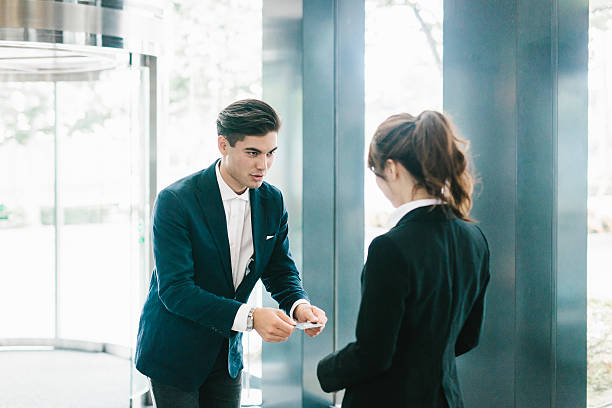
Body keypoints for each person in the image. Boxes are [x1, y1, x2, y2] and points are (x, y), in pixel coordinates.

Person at [135, 99, 327, 408]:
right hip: (175, 352)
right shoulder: (176, 201)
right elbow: (176, 291)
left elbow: (279, 270)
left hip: (226, 354)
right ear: (224, 145)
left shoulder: (272, 201)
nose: (263, 165)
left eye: (270, 153)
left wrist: (298, 305)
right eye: (253, 153)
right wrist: (252, 318)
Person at [317, 111, 490, 408]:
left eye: (375, 172)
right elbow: (467, 337)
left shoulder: (390, 247)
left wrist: (325, 371)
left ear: (392, 168)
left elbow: (374, 354)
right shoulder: (474, 238)